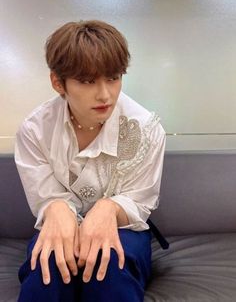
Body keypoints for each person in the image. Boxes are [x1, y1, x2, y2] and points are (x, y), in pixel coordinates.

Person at [15, 20, 166, 302]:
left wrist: (108, 209)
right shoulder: (35, 130)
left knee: (110, 267)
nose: (105, 94)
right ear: (58, 82)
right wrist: (57, 207)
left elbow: (141, 199)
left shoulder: (146, 128)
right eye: (87, 81)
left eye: (113, 77)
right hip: (59, 224)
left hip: (124, 228)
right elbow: (45, 198)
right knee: (47, 272)